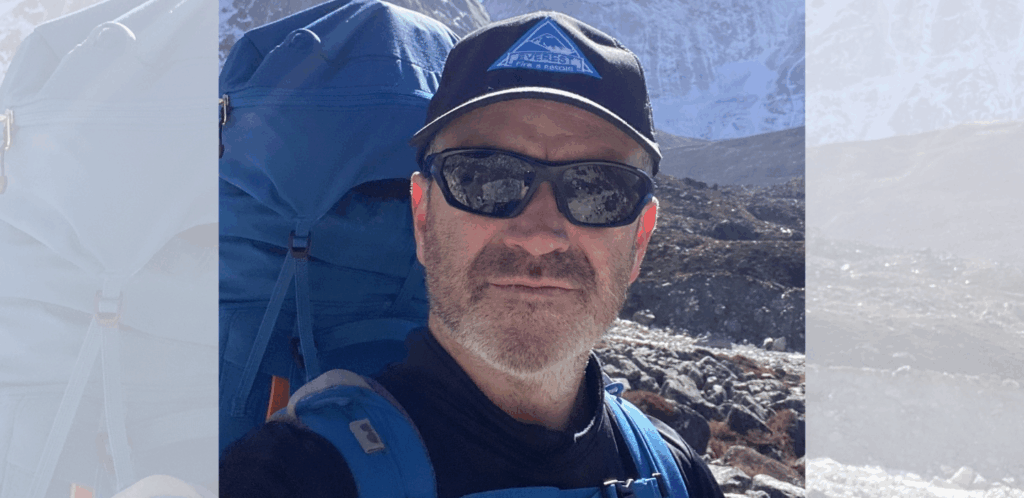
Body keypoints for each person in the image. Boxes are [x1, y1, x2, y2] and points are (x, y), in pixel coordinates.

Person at [221, 11, 725, 498]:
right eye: (485, 178)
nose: (540, 234)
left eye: (599, 189)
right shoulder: (295, 474)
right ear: (423, 218)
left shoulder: (676, 474)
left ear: (640, 239)